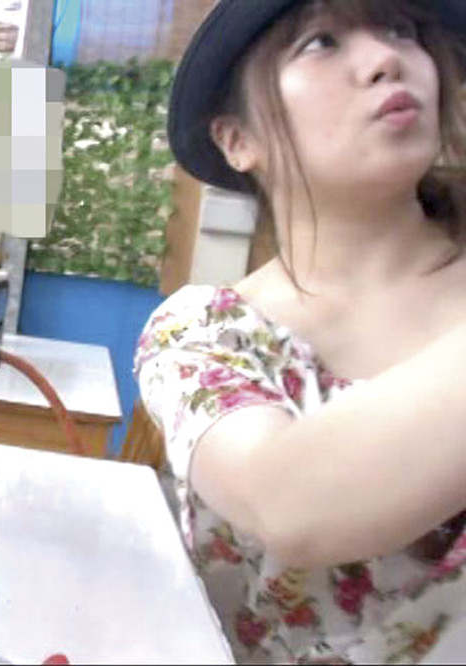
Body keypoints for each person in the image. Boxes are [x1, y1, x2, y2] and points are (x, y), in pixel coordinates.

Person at [135, 0, 466, 662]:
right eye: (320, 42)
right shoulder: (206, 333)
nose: (386, 58)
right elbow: (290, 507)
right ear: (238, 139)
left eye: (401, 30)